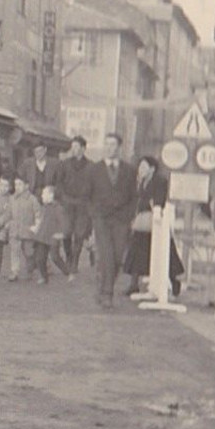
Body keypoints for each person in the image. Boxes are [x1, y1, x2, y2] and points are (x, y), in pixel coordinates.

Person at [87, 132, 138, 309]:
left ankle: (103, 286)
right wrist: (93, 214)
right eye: (107, 144)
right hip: (101, 218)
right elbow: (88, 195)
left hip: (121, 220)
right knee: (107, 255)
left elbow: (134, 196)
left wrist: (129, 215)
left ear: (119, 148)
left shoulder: (129, 170)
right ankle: (107, 293)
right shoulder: (94, 169)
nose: (109, 148)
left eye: (113, 145)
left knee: (117, 257)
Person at [122, 156, 185, 298]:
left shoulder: (160, 181)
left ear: (152, 168)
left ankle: (174, 280)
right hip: (142, 221)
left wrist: (156, 210)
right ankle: (134, 284)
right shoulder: (142, 181)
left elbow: (159, 199)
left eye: (144, 167)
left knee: (164, 253)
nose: (140, 169)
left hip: (156, 222)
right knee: (137, 252)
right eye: (140, 167)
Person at [54, 135, 94, 278]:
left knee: (79, 234)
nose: (75, 150)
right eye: (73, 147)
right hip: (68, 203)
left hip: (83, 205)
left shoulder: (91, 166)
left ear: (83, 149)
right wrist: (63, 198)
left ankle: (74, 262)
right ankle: (69, 257)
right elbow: (58, 183)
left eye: (78, 147)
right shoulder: (64, 164)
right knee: (66, 233)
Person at [29, 184, 71, 284]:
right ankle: (44, 277)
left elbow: (64, 222)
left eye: (44, 194)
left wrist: (63, 234)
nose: (42, 196)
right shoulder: (44, 207)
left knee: (55, 257)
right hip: (42, 237)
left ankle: (68, 273)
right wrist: (36, 228)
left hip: (53, 236)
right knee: (40, 258)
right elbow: (41, 221)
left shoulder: (58, 208)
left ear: (51, 195)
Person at [8, 174, 39, 281]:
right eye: (16, 184)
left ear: (27, 186)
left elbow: (38, 214)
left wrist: (36, 226)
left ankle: (30, 270)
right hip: (15, 230)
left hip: (28, 230)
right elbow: (8, 213)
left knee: (29, 252)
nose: (17, 187)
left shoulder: (32, 199)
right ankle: (14, 271)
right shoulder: (12, 199)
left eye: (20, 184)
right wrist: (7, 223)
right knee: (14, 251)